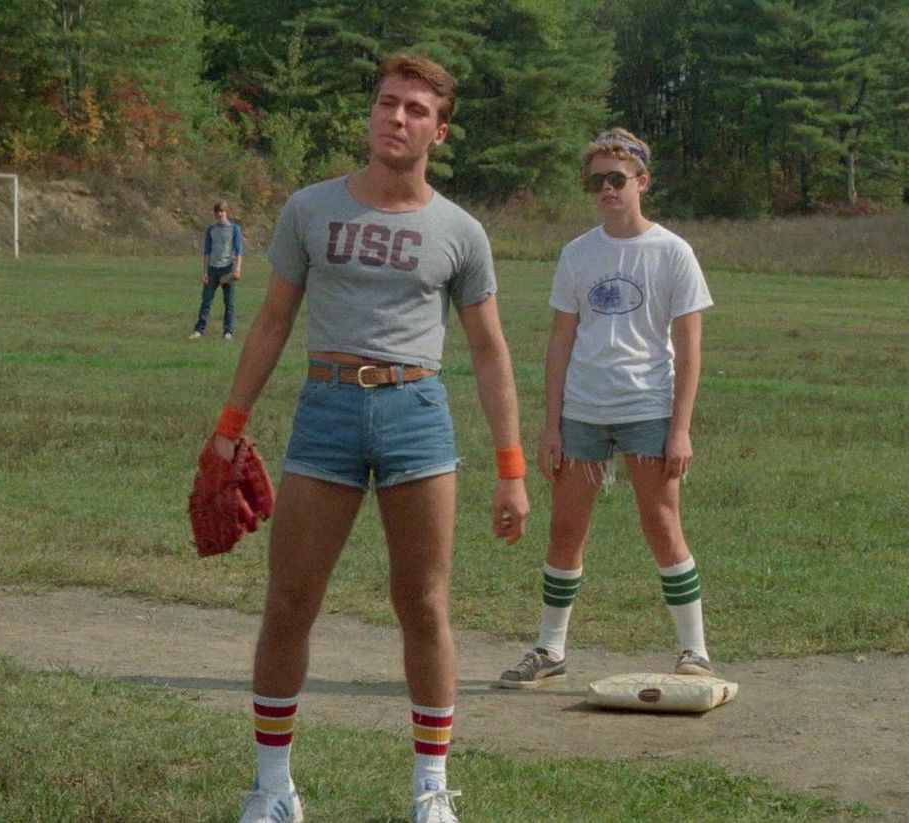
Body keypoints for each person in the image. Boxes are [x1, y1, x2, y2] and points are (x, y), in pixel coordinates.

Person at [206, 54, 530, 823]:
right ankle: (273, 787)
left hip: (417, 412)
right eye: (388, 103)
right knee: (289, 601)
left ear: (440, 131)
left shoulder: (460, 229)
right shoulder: (310, 209)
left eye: (417, 110)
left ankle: (430, 790)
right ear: (370, 115)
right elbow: (273, 320)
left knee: (423, 603)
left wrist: (512, 467)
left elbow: (489, 350)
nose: (398, 118)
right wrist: (229, 426)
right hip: (327, 409)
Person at [496, 128, 715, 690]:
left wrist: (680, 429)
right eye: (595, 181)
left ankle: (693, 651)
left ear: (642, 182)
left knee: (662, 524)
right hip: (583, 412)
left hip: (647, 406)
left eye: (616, 179)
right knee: (566, 529)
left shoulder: (672, 252)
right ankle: (549, 648)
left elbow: (689, 346)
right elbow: (560, 342)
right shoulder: (578, 253)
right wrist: (550, 426)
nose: (606, 190)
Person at [190, 200, 244, 340]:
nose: (220, 214)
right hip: (212, 269)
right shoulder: (210, 229)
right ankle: (199, 330)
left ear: (226, 212)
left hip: (228, 268)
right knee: (206, 301)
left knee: (229, 303)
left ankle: (228, 331)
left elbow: (239, 251)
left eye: (222, 211)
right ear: (214, 213)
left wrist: (237, 269)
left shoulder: (234, 229)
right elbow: (207, 251)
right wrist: (205, 272)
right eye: (217, 212)